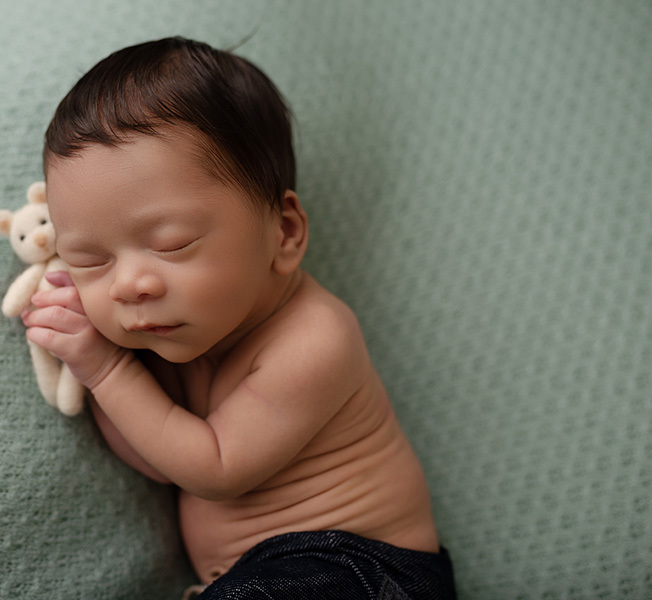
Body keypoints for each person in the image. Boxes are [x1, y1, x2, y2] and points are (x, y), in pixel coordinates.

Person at [23, 37, 456, 599]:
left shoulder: (316, 339)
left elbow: (213, 468)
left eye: (173, 244)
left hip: (360, 570)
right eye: (89, 261)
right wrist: (91, 366)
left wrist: (106, 371)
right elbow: (161, 460)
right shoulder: (175, 337)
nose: (128, 285)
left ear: (284, 233)